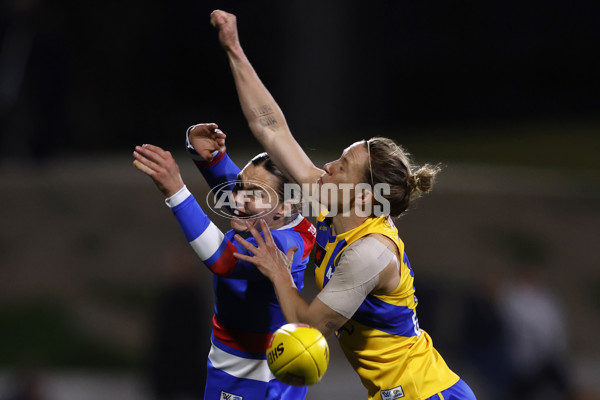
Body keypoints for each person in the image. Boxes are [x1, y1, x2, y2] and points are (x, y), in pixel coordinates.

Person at [209, 10, 477, 400]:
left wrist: (280, 273)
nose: (329, 166)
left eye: (343, 166)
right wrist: (233, 48)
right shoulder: (328, 202)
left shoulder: (370, 253)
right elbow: (270, 127)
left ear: (365, 196)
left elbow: (309, 327)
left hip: (428, 394)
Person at [133, 123, 316, 400]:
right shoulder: (283, 219)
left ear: (286, 206)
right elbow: (245, 192)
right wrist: (210, 157)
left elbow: (223, 262)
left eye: (252, 194)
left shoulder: (281, 246)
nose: (237, 199)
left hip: (247, 375)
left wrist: (176, 191)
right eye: (240, 187)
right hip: (274, 368)